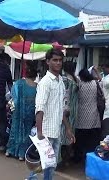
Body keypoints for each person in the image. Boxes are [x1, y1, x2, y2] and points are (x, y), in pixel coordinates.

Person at [29, 48, 75, 180]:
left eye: (60, 60)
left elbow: (60, 109)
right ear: (47, 62)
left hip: (56, 132)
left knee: (50, 166)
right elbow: (39, 108)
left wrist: (67, 128)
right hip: (45, 133)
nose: (58, 63)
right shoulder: (45, 83)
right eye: (55, 60)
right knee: (41, 167)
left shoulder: (60, 81)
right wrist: (40, 133)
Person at [5, 64, 37, 161]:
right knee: (26, 132)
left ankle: (10, 150)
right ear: (35, 76)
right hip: (30, 112)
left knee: (15, 130)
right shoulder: (37, 86)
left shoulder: (18, 83)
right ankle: (21, 154)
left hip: (18, 112)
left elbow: (13, 98)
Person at [73, 68, 101, 162]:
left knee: (81, 139)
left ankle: (79, 157)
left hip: (81, 115)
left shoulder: (79, 84)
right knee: (92, 140)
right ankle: (92, 157)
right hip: (94, 114)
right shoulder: (95, 83)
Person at [60, 61, 79, 165]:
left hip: (66, 111)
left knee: (63, 135)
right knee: (71, 135)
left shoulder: (65, 80)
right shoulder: (76, 80)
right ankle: (67, 158)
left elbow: (65, 96)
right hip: (74, 112)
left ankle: (62, 159)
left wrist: (64, 109)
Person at [102, 64, 109, 139]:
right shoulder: (106, 78)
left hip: (108, 112)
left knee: (107, 135)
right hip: (107, 109)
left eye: (104, 69)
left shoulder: (107, 79)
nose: (103, 71)